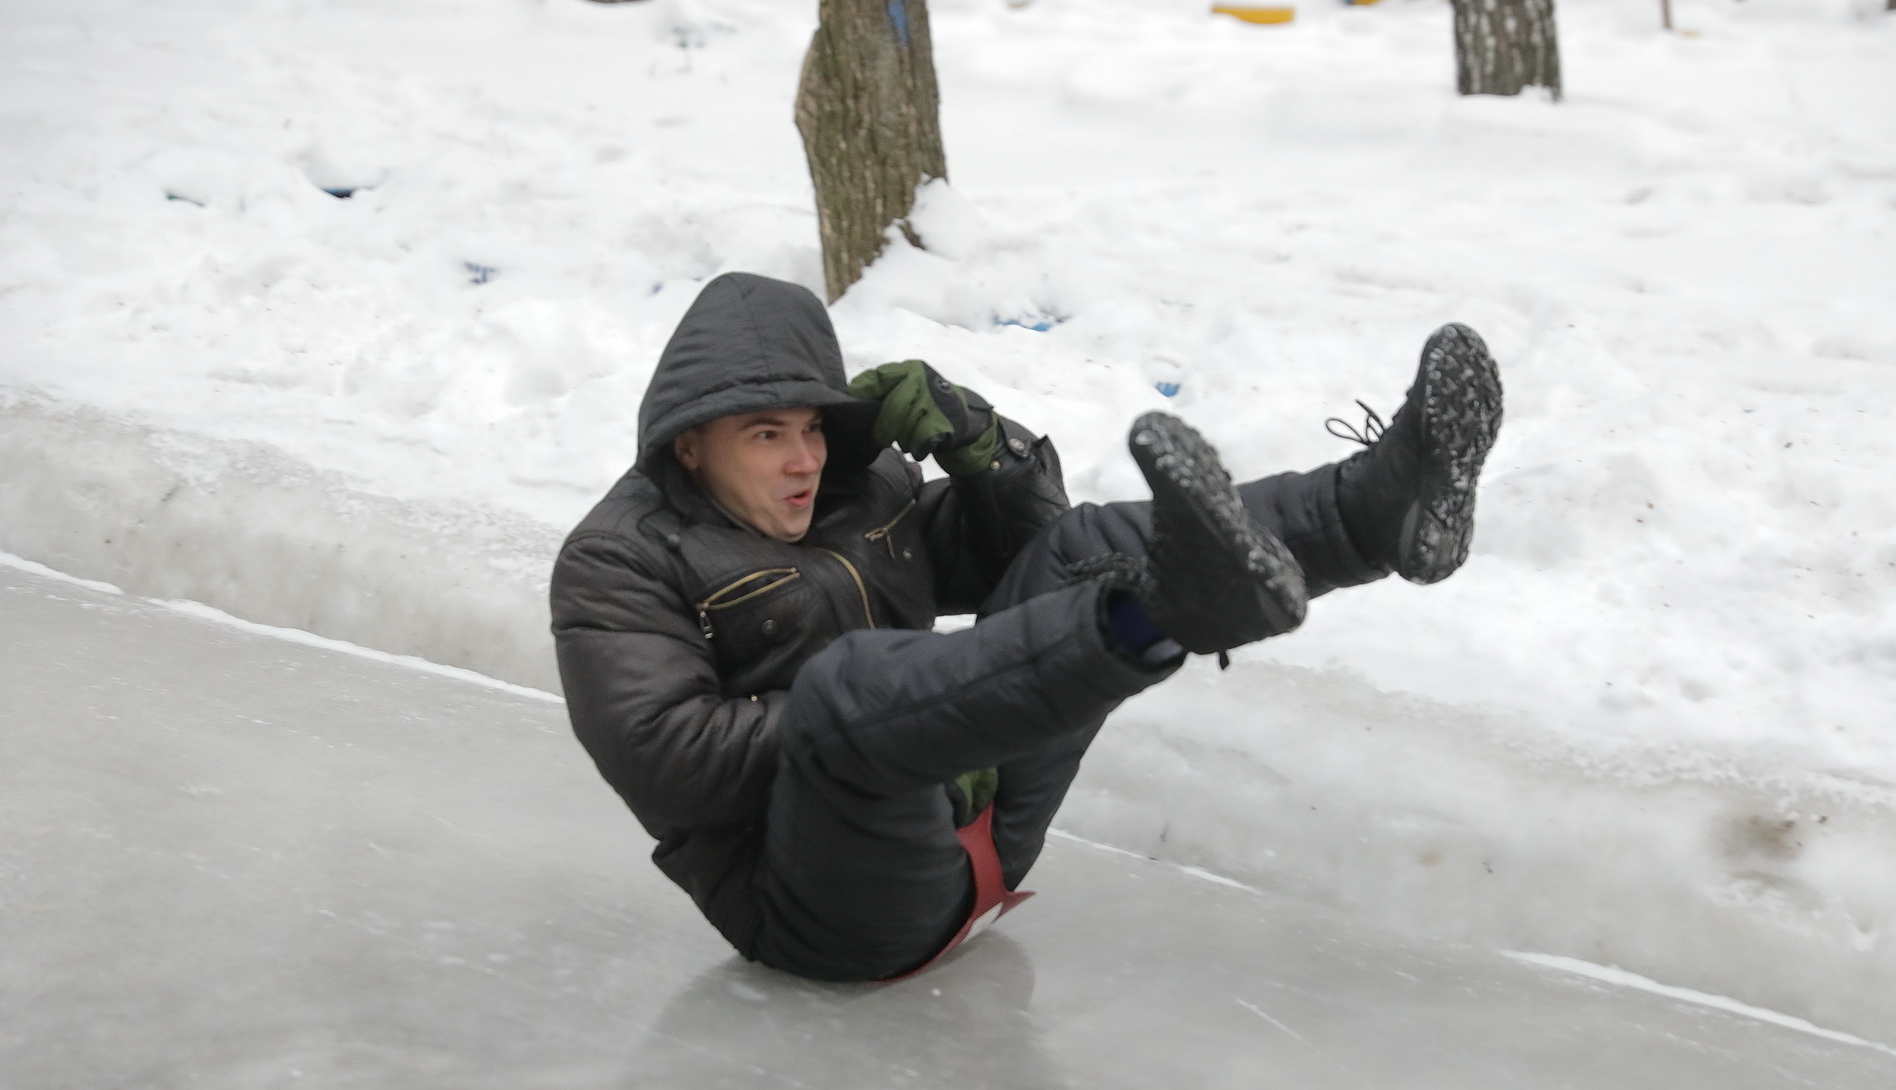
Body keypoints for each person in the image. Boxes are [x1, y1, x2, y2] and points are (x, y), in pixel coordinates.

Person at [551, 272, 1501, 981]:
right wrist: (925, 714)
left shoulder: (856, 485)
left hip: (991, 834)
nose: (804, 459)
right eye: (767, 434)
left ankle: (1368, 514)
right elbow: (670, 758)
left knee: (1086, 547)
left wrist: (983, 449)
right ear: (690, 439)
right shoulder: (620, 561)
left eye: (812, 426)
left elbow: (1029, 553)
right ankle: (1160, 612)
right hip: (826, 919)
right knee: (853, 690)